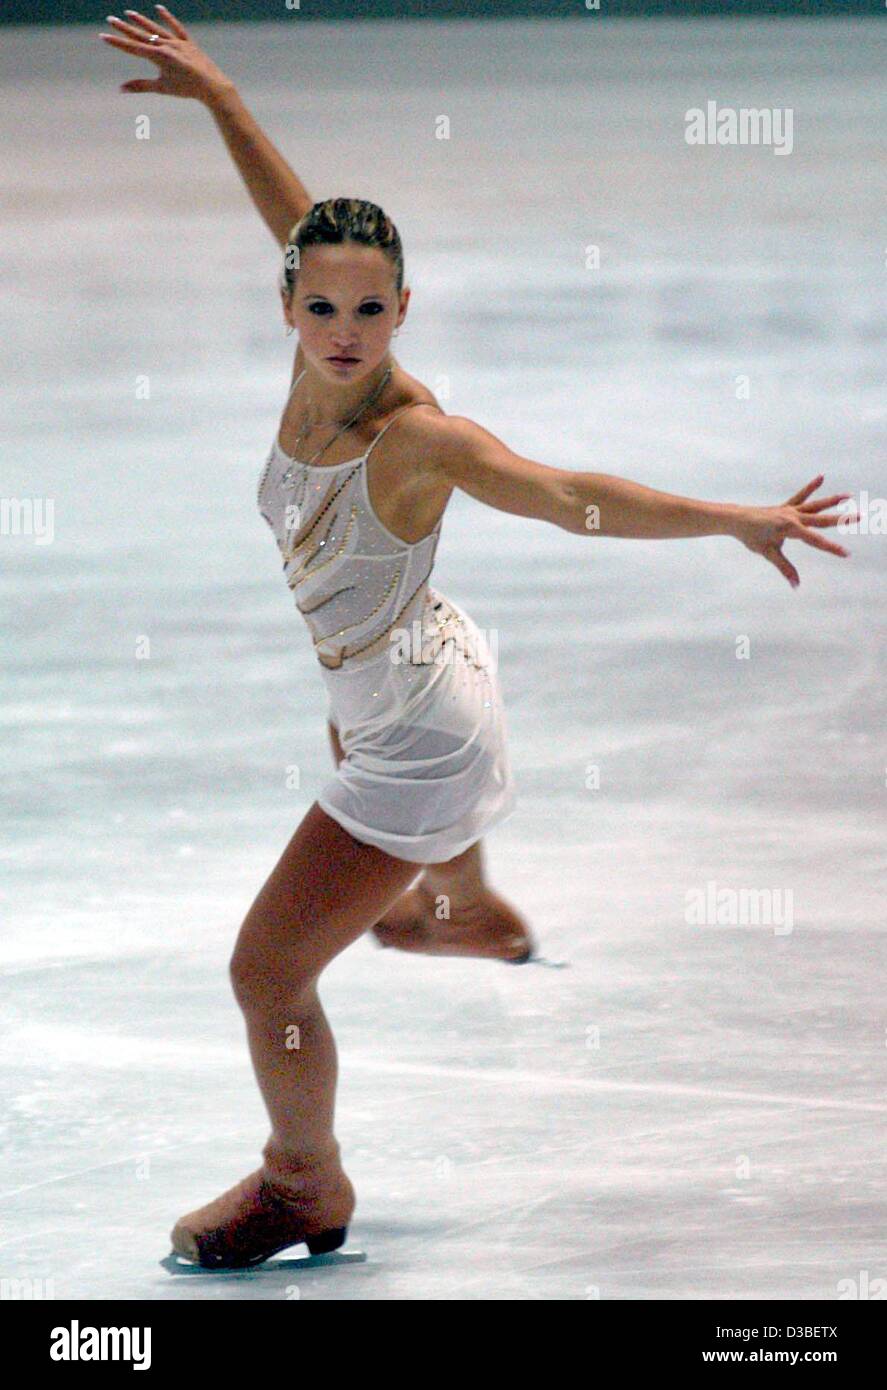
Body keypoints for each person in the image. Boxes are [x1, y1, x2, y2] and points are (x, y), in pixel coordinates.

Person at [99, 7, 855, 1270]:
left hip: (420, 731)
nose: (347, 328)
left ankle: (303, 1182)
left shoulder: (415, 438)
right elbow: (297, 216)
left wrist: (733, 518)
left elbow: (570, 498)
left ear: (404, 312)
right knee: (349, 711)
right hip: (407, 664)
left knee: (264, 973)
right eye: (325, 301)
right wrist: (224, 97)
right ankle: (465, 897)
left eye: (373, 309)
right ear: (289, 300)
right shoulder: (312, 353)